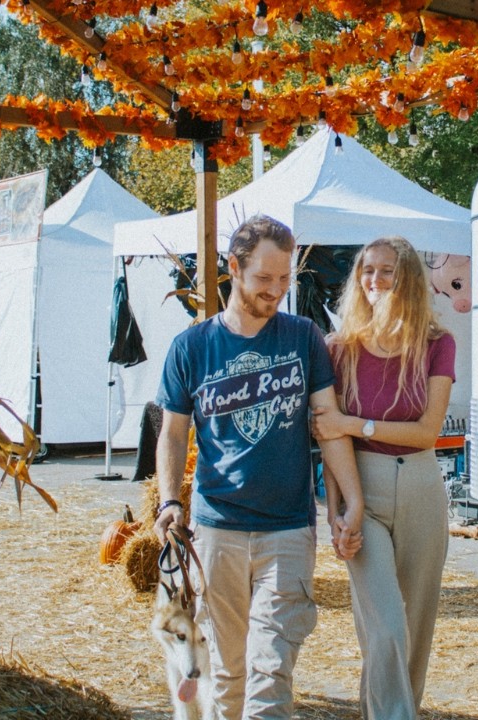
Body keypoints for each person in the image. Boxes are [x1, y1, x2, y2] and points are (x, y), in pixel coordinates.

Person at [152, 214, 365, 720]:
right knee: (228, 673)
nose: (276, 291)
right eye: (264, 279)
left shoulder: (302, 337)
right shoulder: (192, 347)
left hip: (287, 530)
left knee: (270, 673)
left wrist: (350, 501)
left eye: (284, 279)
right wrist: (169, 501)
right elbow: (173, 432)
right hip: (216, 530)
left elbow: (328, 424)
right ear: (234, 268)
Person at [312, 236, 455, 720]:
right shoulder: (339, 350)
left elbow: (427, 431)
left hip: (421, 487)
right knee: (387, 626)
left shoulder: (438, 345)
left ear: (409, 278)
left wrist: (356, 424)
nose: (374, 280)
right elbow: (332, 441)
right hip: (362, 491)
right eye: (366, 270)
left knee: (413, 628)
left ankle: (391, 711)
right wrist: (334, 511)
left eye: (386, 270)